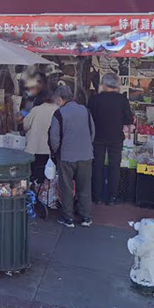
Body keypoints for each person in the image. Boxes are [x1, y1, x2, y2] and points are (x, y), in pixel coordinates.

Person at [49, 85, 95, 228]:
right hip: (86, 155)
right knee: (84, 187)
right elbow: (92, 132)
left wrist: (57, 152)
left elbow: (54, 138)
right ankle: (85, 217)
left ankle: (68, 218)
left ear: (60, 98)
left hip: (66, 156)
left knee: (67, 188)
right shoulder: (85, 111)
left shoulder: (59, 113)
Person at [87, 72, 135, 204]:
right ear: (116, 84)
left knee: (97, 166)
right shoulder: (122, 100)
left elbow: (88, 118)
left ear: (103, 84)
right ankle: (113, 197)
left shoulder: (95, 99)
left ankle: (97, 197)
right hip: (115, 138)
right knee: (115, 167)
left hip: (97, 137)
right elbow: (129, 119)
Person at [24, 92, 59, 185]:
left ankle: (33, 194)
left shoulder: (36, 109)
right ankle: (44, 195)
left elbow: (25, 125)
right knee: (48, 178)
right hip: (50, 150)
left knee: (33, 175)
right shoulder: (59, 110)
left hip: (34, 148)